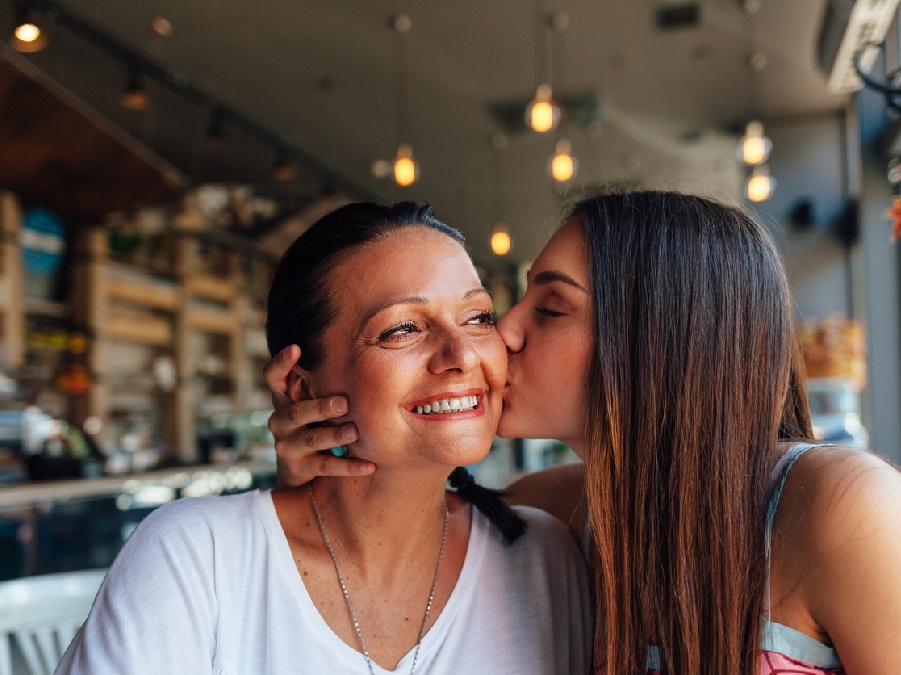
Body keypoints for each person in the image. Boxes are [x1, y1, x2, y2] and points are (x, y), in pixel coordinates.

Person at [265, 190, 901, 674]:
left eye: (550, 308)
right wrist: (316, 471)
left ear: (659, 340)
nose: (502, 334)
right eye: (502, 308)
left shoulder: (842, 508)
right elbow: (380, 538)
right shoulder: (549, 514)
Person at [56, 203, 591, 674]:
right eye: (402, 328)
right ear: (301, 385)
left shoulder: (545, 557)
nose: (462, 355)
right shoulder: (199, 557)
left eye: (477, 317)